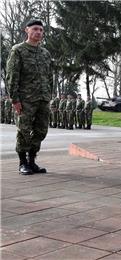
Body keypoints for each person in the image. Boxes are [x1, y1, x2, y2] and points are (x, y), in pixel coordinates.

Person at [6, 19, 52, 175]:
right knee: (24, 131)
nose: (38, 32)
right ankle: (22, 163)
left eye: (41, 30)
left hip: (43, 98)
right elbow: (12, 76)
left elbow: (49, 76)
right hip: (25, 99)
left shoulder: (45, 53)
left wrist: (49, 95)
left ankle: (32, 161)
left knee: (41, 131)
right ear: (27, 30)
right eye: (35, 29)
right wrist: (15, 99)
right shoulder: (18, 50)